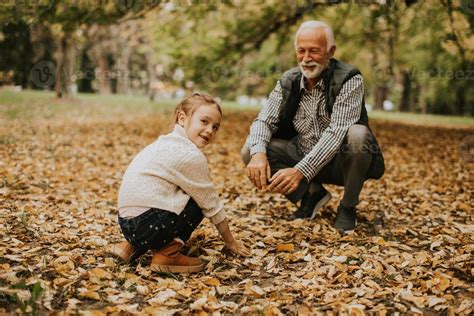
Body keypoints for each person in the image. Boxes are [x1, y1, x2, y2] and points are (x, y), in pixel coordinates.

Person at [241, 21, 385, 232]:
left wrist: (300, 171)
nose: (306, 59)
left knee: (358, 134)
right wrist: (258, 154)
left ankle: (347, 207)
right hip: (301, 153)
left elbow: (337, 133)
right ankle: (311, 194)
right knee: (250, 150)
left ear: (330, 51)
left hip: (341, 163)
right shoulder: (288, 81)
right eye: (301, 51)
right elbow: (263, 120)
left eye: (314, 51)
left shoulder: (350, 79)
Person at [107, 93, 250, 273]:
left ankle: (128, 247)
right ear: (182, 118)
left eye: (215, 127)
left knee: (164, 194)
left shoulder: (160, 143)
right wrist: (231, 242)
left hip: (126, 224)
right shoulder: (190, 155)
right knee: (200, 198)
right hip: (149, 225)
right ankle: (168, 255)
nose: (209, 131)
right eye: (204, 122)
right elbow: (211, 204)